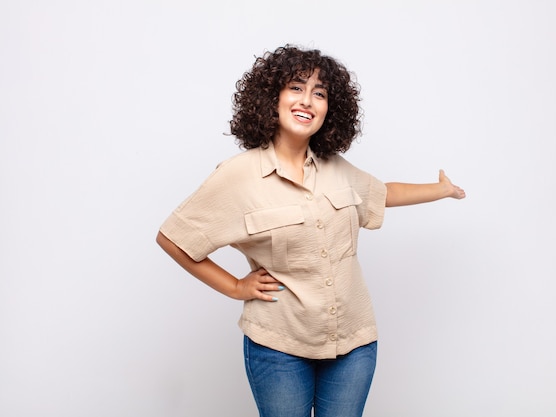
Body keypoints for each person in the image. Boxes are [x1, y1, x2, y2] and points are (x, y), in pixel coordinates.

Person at [156, 44, 465, 417]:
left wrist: (442, 190)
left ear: (329, 110)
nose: (308, 100)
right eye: (296, 88)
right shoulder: (238, 175)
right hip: (278, 346)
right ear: (272, 97)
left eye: (319, 93)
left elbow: (383, 193)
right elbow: (174, 238)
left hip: (353, 344)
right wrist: (236, 287)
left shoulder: (336, 167)